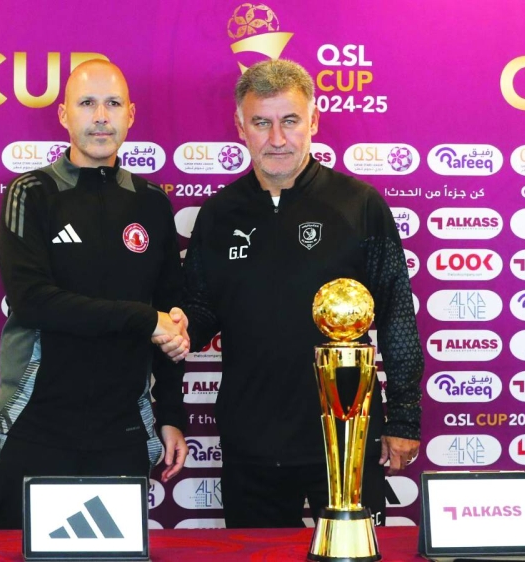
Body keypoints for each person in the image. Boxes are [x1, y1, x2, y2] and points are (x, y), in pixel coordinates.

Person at [159, 59, 423, 528]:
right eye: (261, 122)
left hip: (346, 431)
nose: (277, 139)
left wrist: (403, 419)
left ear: (314, 121)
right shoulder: (219, 214)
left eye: (290, 121)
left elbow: (397, 316)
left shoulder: (361, 206)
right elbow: (202, 311)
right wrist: (178, 329)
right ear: (241, 127)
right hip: (251, 436)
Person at [0, 59, 190, 530]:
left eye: (113, 103)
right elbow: (34, 301)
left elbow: (171, 319)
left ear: (131, 114)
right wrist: (146, 319)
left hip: (121, 432)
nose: (101, 116)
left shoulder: (152, 202)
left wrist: (173, 414)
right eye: (87, 103)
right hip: (35, 427)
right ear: (64, 115)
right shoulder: (31, 193)